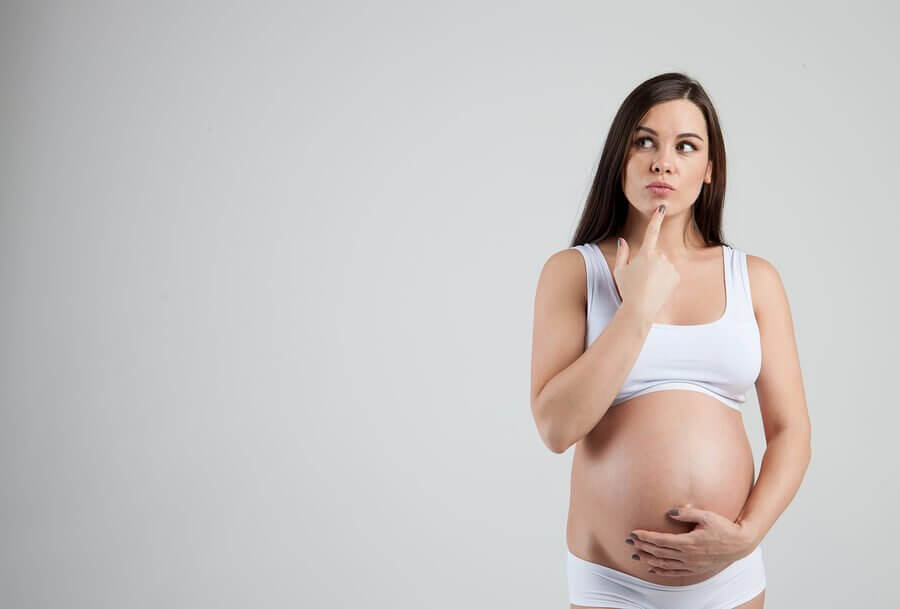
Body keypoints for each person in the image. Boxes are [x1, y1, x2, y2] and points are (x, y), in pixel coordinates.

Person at [529, 73, 811, 609]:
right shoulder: (574, 273)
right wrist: (637, 309)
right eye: (644, 142)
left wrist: (747, 535)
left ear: (708, 171)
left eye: (686, 146)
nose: (663, 161)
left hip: (731, 576)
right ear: (621, 158)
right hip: (610, 582)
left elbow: (791, 430)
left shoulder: (755, 279)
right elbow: (556, 427)